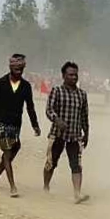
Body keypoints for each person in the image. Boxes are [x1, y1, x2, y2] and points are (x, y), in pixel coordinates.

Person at [0, 54, 41, 197]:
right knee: (8, 151)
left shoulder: (26, 86)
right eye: (16, 67)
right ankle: (12, 187)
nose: (19, 70)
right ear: (10, 67)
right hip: (2, 121)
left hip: (16, 123)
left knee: (13, 149)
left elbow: (30, 107)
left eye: (21, 68)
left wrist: (35, 125)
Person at [44, 62, 89, 204]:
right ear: (63, 76)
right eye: (70, 74)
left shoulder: (82, 94)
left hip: (75, 136)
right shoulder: (56, 91)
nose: (74, 77)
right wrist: (57, 120)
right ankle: (45, 187)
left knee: (76, 165)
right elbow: (49, 110)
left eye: (75, 74)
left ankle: (77, 194)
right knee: (52, 162)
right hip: (58, 134)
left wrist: (86, 133)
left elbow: (84, 115)